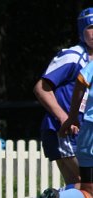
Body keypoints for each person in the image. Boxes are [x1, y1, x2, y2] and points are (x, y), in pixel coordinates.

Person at [34, 7, 93, 194]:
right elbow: (41, 88)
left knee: (78, 187)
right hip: (64, 131)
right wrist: (64, 117)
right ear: (81, 31)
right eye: (91, 27)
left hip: (84, 134)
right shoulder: (73, 56)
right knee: (87, 186)